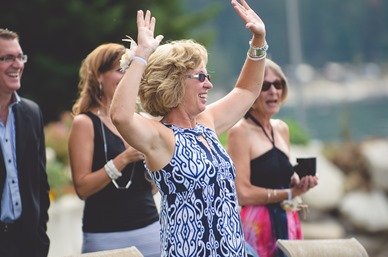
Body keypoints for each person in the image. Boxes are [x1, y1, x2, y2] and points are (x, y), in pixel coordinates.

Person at [110, 1, 267, 256]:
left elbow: (247, 90)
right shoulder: (161, 138)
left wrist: (258, 41)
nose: (209, 84)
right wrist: (141, 55)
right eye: (201, 77)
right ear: (175, 82)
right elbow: (121, 116)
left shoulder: (206, 124)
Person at [68, 43, 160, 256]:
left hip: (150, 230)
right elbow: (82, 189)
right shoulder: (85, 123)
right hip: (105, 236)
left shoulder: (140, 120)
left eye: (129, 70)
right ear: (99, 76)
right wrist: (124, 158)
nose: (126, 76)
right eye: (120, 70)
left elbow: (153, 188)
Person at [226, 58, 319, 257]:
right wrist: (289, 193)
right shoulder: (239, 132)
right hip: (257, 226)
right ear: (251, 92)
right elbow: (242, 193)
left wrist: (300, 182)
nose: (273, 91)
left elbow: (281, 178)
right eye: (265, 86)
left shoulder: (281, 128)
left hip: (288, 218)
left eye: (278, 84)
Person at [0, 28, 50, 257]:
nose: (17, 64)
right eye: (7, 58)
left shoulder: (31, 112)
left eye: (20, 57)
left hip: (28, 243)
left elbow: (40, 183)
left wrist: (40, 237)